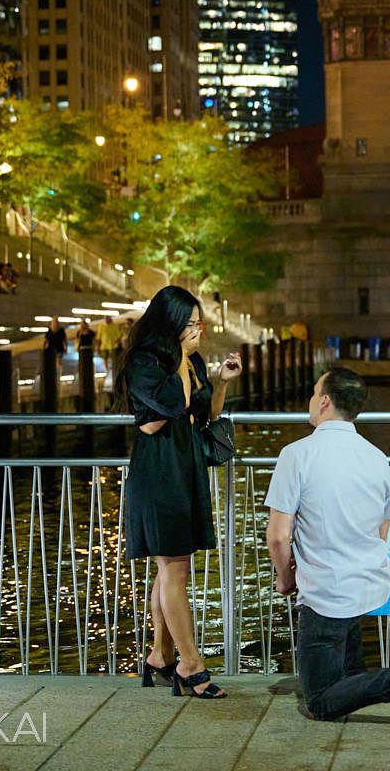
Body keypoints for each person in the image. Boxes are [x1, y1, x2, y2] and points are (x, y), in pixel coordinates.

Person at [265, 366, 390, 731]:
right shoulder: (375, 456)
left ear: (325, 401)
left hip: (326, 591)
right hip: (368, 582)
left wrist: (285, 578)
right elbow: (383, 525)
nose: (311, 400)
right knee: (349, 672)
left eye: (314, 393)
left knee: (320, 702)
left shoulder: (297, 454)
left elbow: (279, 535)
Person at [115, 285, 242, 699]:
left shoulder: (189, 360)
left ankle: (159, 658)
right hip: (159, 473)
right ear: (169, 322)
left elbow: (205, 411)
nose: (197, 331)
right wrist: (186, 364)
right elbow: (172, 405)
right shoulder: (145, 361)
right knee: (175, 570)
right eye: (190, 323)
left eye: (198, 323)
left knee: (170, 569)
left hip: (184, 468)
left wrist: (220, 381)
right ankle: (191, 665)